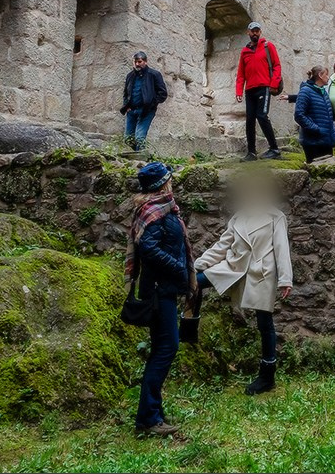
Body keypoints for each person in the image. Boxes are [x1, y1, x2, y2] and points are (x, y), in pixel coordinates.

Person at [194, 171, 293, 395]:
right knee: (194, 282)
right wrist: (198, 265)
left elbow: (281, 248)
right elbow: (222, 245)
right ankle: (189, 323)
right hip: (233, 267)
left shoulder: (275, 216)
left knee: (264, 322)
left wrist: (285, 279)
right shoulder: (239, 216)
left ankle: (267, 375)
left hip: (260, 273)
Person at [126, 162, 197, 435]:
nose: (172, 183)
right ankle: (148, 419)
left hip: (162, 289)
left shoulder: (164, 209)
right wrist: (178, 267)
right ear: (163, 184)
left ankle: (151, 413)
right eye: (170, 180)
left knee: (161, 349)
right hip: (158, 291)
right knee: (167, 348)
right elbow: (149, 248)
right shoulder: (155, 212)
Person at [236, 21, 283, 162]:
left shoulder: (268, 47)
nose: (255, 33)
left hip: (264, 87)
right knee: (250, 120)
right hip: (250, 90)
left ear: (260, 32)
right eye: (252, 31)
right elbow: (241, 74)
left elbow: (277, 66)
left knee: (261, 116)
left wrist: (273, 83)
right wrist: (239, 91)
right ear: (248, 33)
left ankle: (274, 149)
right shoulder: (244, 52)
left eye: (257, 31)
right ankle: (251, 153)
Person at [119, 52, 168, 151]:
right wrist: (126, 105)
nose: (137, 64)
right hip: (131, 111)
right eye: (135, 62)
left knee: (139, 138)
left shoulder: (154, 74)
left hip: (146, 111)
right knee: (128, 139)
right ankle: (133, 162)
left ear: (145, 62)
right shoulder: (130, 76)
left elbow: (162, 93)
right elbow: (126, 93)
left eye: (140, 61)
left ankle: (140, 161)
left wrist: (151, 104)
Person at [294, 65, 335, 163]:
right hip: (313, 142)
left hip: (326, 141)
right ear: (320, 75)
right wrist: (316, 129)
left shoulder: (324, 93)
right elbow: (299, 115)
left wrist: (334, 132)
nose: (328, 78)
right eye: (326, 75)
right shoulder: (305, 91)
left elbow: (328, 116)